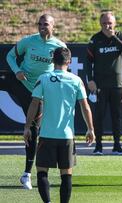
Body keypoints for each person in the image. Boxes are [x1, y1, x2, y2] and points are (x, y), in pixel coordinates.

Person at [23, 47, 95, 203]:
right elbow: (85, 106)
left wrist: (27, 127)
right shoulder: (76, 80)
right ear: (68, 61)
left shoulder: (43, 78)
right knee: (66, 174)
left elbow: (34, 103)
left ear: (52, 61)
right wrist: (90, 129)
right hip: (67, 136)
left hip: (46, 134)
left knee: (42, 172)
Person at [6, 14, 67, 189]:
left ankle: (26, 174)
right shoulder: (28, 41)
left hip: (39, 91)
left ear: (53, 26)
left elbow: (63, 69)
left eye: (45, 24)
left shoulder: (59, 46)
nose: (42, 26)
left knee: (33, 131)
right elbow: (10, 56)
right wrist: (17, 70)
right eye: (40, 24)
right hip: (21, 84)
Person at [85, 11, 122, 155]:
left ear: (114, 23)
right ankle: (98, 146)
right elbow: (88, 62)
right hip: (100, 85)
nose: (107, 26)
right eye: (104, 23)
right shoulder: (95, 39)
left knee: (116, 116)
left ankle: (117, 145)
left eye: (110, 23)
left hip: (117, 84)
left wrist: (114, 38)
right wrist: (90, 80)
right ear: (100, 24)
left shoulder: (121, 36)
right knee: (99, 116)